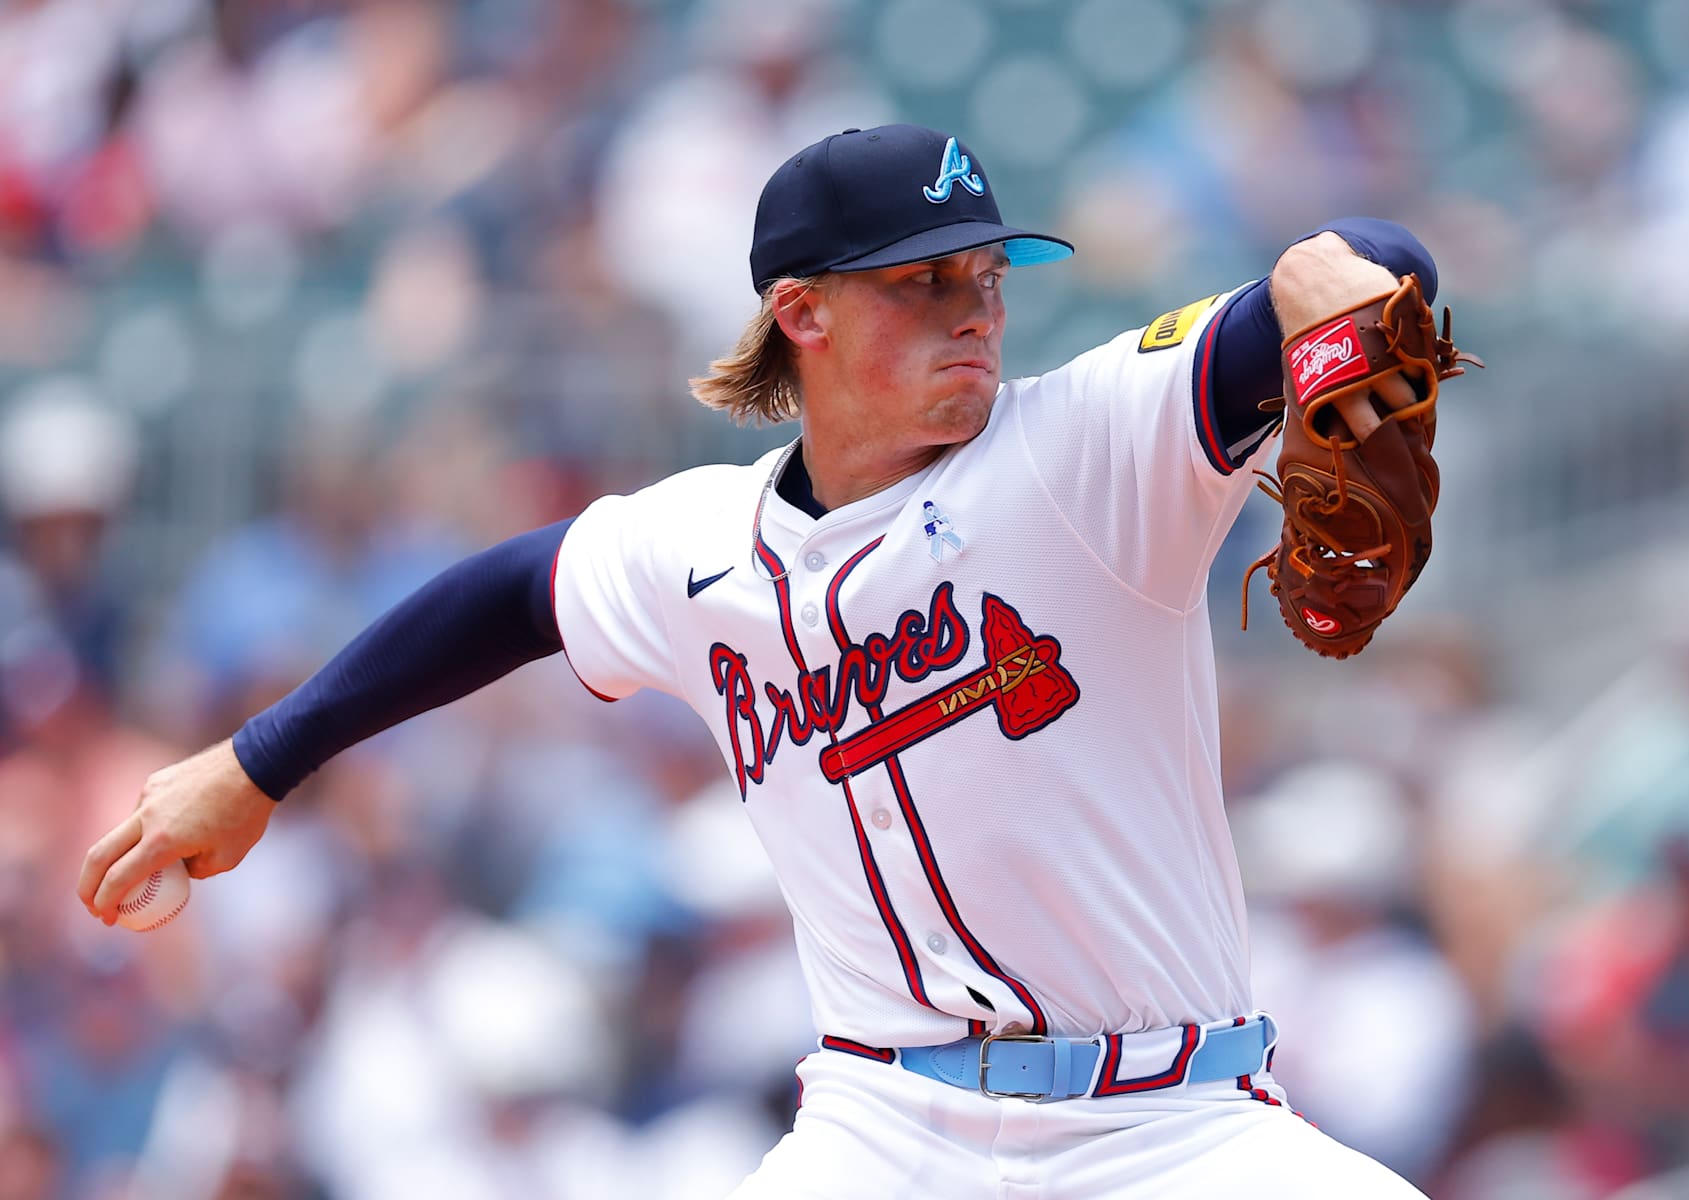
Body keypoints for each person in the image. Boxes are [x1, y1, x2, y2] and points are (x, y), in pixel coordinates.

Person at [81, 123, 1449, 1197]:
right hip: (886, 1129)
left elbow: (1366, 262)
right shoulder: (699, 547)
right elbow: (508, 593)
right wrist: (259, 763)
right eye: (926, 283)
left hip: (1175, 1130)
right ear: (802, 313)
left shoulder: (1094, 445)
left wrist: (1349, 281)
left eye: (986, 275)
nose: (977, 309)